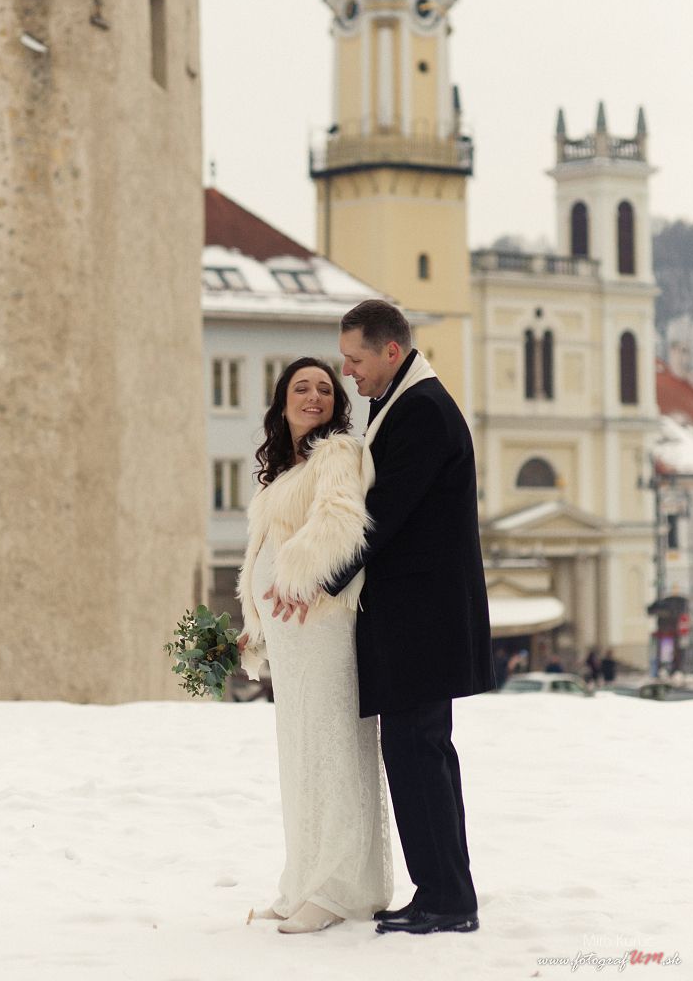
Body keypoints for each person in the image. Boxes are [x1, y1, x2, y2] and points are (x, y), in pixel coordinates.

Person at [274, 301, 495, 936]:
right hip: (418, 620)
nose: (347, 372)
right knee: (419, 755)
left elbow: (382, 516)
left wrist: (316, 579)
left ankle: (447, 900)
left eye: (354, 359)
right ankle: (443, 891)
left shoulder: (421, 409)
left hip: (423, 623)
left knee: (419, 755)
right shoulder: (404, 401)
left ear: (391, 351)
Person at [236, 357, 393, 935]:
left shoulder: (338, 454)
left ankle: (340, 889)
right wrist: (254, 620)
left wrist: (299, 577)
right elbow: (262, 550)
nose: (313, 396)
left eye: (325, 388)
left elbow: (340, 522)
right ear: (282, 402)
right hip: (289, 632)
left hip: (321, 622)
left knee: (333, 748)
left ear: (336, 403)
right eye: (301, 388)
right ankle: (302, 881)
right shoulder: (284, 469)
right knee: (300, 753)